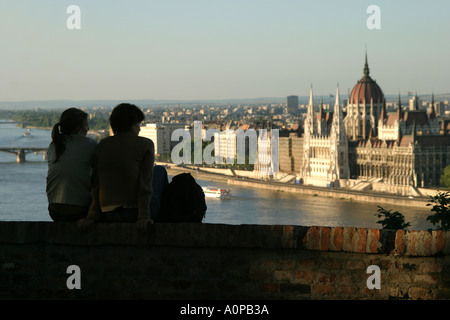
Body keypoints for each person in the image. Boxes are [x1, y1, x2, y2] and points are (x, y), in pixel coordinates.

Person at [78, 103, 156, 231]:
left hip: (107, 213)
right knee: (159, 172)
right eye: (138, 124)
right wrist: (143, 216)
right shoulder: (146, 144)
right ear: (132, 125)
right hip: (133, 213)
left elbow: (96, 184)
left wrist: (91, 215)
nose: (139, 129)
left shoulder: (102, 145)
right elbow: (145, 184)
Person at [46, 108, 97, 222]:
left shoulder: (54, 145)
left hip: (54, 209)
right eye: (86, 125)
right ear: (78, 129)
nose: (88, 129)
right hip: (79, 210)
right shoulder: (91, 145)